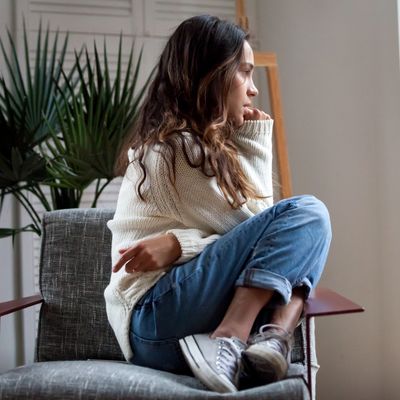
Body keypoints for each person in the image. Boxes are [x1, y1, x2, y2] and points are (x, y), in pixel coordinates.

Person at [104, 15, 331, 393]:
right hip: (156, 316)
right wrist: (257, 139)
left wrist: (179, 244)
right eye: (244, 73)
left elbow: (266, 245)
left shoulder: (200, 147)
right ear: (212, 75)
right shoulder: (175, 150)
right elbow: (265, 227)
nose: (254, 90)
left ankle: (271, 339)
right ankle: (240, 334)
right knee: (309, 215)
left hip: (172, 323)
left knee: (300, 240)